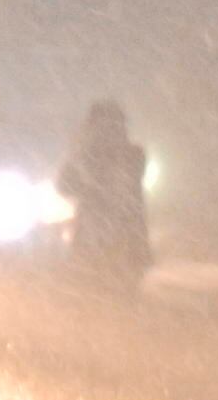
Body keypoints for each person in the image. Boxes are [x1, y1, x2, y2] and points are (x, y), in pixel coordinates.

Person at [59, 98, 150, 288]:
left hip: (112, 243)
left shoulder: (130, 155)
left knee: (99, 296)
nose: (108, 130)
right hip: (112, 244)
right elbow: (65, 185)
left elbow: (66, 185)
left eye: (112, 125)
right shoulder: (132, 155)